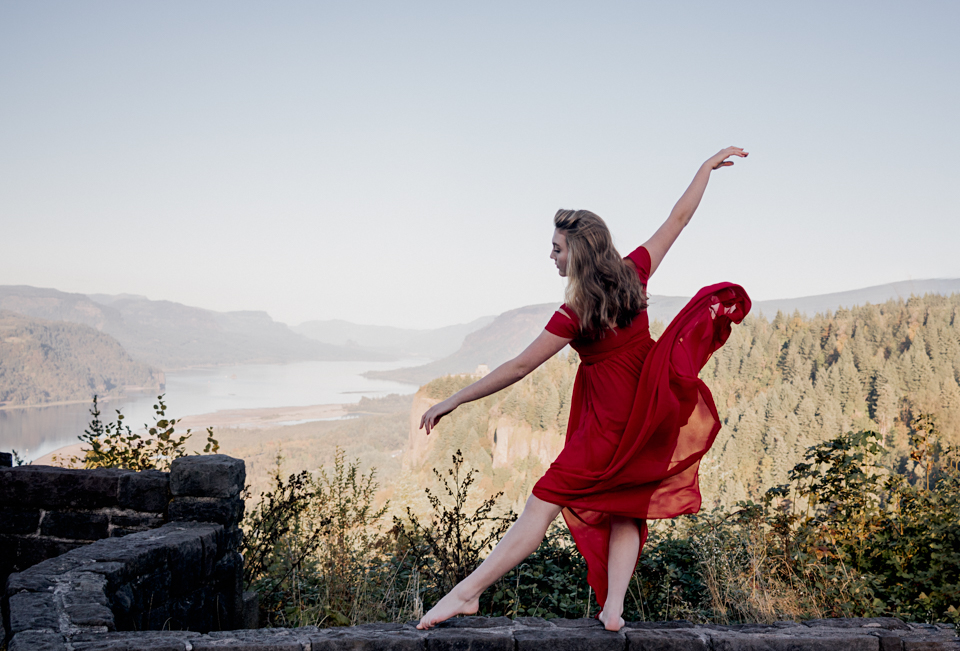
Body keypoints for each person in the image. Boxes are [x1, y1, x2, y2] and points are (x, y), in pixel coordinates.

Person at [416, 147, 751, 632]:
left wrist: (451, 401)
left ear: (578, 252)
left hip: (610, 423)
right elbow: (678, 219)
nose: (550, 255)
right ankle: (613, 608)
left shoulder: (574, 315)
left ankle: (467, 593)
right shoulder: (634, 272)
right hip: (651, 411)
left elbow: (517, 367)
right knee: (624, 506)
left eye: (556, 248)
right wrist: (704, 171)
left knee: (542, 501)